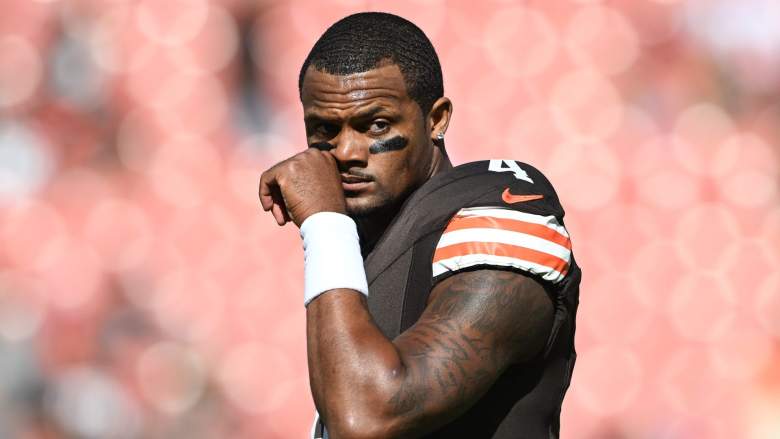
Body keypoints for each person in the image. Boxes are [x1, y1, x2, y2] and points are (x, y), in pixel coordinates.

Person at [259, 12, 580, 439]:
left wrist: (324, 224)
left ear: (436, 119)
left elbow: (365, 417)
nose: (347, 151)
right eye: (325, 129)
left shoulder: (498, 218)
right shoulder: (371, 241)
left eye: (376, 125)